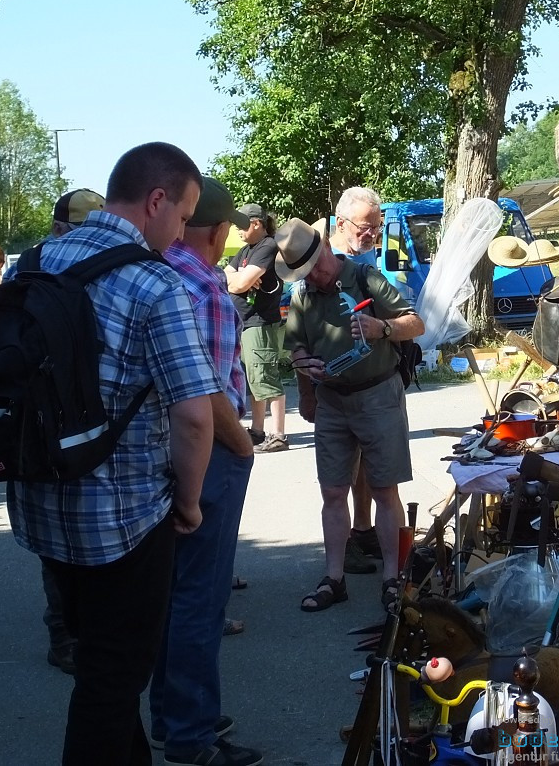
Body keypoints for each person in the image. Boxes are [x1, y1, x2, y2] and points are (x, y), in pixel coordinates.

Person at [5, 142, 221, 765]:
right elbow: (193, 414)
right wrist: (187, 503)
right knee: (111, 681)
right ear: (157, 201)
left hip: (43, 501)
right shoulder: (157, 282)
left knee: (101, 666)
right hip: (123, 518)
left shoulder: (37, 260)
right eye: (182, 217)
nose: (181, 232)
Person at [148, 176, 261, 766]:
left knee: (173, 591)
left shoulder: (155, 271)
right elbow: (209, 389)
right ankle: (191, 733)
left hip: (157, 453)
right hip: (210, 451)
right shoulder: (205, 286)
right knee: (202, 595)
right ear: (218, 232)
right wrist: (243, 446)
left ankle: (172, 715)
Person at [277, 217, 424, 612]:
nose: (317, 276)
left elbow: (417, 323)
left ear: (328, 248)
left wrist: (383, 328)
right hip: (332, 401)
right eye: (306, 273)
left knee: (384, 489)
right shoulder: (303, 294)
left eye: (319, 266)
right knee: (332, 491)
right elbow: (296, 348)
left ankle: (392, 579)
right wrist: (305, 378)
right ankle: (334, 579)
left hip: (378, 396)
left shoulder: (365, 277)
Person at [11, 187, 106, 676]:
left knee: (49, 523)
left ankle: (64, 633)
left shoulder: (25, 263)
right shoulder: (112, 267)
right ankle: (77, 631)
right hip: (81, 413)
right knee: (92, 520)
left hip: (30, 414)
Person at [326, 188, 387, 575]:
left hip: (372, 376)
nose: (371, 236)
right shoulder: (324, 261)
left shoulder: (363, 253)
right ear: (342, 223)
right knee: (343, 466)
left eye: (375, 229)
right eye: (365, 229)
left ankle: (363, 529)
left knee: (367, 459)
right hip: (338, 378)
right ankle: (345, 540)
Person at [225, 203, 288, 453]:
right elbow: (224, 276)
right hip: (246, 323)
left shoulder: (267, 246)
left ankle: (279, 435)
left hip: (259, 323)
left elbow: (239, 285)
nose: (237, 229)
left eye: (241, 224)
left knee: (266, 377)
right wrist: (236, 279)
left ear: (256, 223)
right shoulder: (246, 250)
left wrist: (238, 280)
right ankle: (259, 432)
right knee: (254, 381)